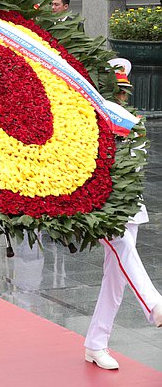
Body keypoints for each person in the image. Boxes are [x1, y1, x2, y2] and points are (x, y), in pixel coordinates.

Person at [83, 58, 162, 370]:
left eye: (124, 93)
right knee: (123, 248)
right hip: (100, 205)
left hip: (130, 205)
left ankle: (95, 343)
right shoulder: (91, 120)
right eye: (118, 92)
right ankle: (154, 304)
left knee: (115, 280)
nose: (123, 97)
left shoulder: (132, 122)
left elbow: (136, 168)